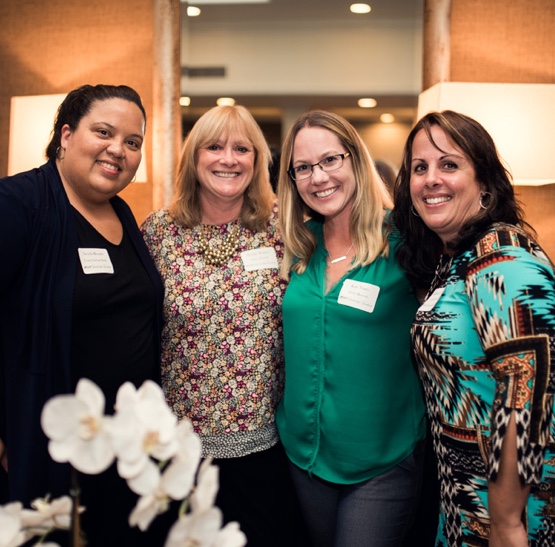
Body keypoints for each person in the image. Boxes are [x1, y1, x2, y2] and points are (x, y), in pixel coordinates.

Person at [0, 84, 165, 546]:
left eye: (133, 142)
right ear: (66, 135)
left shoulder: (123, 213)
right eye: (104, 132)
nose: (119, 149)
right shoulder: (18, 204)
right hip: (49, 445)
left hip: (123, 449)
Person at [141, 104, 307, 546]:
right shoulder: (159, 232)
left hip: (266, 450)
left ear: (257, 161)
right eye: (214, 147)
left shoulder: (284, 229)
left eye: (242, 149)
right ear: (194, 158)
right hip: (178, 450)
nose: (228, 159)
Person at [392, 109, 555, 546]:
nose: (431, 179)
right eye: (419, 168)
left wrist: (506, 522)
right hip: (464, 503)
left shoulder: (502, 254)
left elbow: (528, 394)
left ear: (484, 183)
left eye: (449, 165)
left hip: (515, 512)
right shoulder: (454, 259)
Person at [276, 109, 427, 547]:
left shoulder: (405, 241)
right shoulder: (297, 245)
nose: (318, 177)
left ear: (355, 161)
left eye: (330, 160)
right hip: (305, 458)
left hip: (383, 460)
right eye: (303, 168)